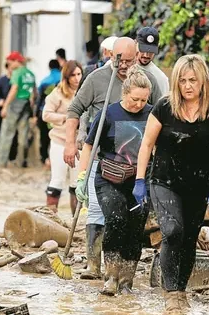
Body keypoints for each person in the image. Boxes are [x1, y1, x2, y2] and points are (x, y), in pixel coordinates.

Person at [64, 37, 163, 280]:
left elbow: (159, 114)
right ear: (111, 55)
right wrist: (70, 143)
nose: (125, 65)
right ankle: (94, 265)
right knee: (99, 212)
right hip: (102, 157)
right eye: (121, 60)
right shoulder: (97, 79)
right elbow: (75, 110)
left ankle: (122, 272)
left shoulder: (146, 80)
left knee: (128, 218)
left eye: (130, 60)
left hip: (136, 164)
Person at [134, 54, 209, 311]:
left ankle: (181, 289)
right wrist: (140, 180)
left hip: (198, 184)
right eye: (183, 80)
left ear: (203, 82)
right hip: (164, 180)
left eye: (193, 80)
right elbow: (146, 144)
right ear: (176, 82)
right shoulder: (164, 107)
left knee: (188, 238)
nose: (188, 86)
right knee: (173, 231)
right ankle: (171, 291)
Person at [75, 67, 153, 295]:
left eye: (143, 100)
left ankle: (127, 281)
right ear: (124, 93)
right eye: (134, 99)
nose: (139, 104)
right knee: (116, 218)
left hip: (139, 178)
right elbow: (90, 145)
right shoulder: (108, 114)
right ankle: (111, 276)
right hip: (109, 177)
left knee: (136, 226)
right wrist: (82, 177)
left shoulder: (152, 115)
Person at [43, 60, 84, 213]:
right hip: (60, 140)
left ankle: (76, 221)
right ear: (66, 77)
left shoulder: (84, 92)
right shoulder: (58, 93)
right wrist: (64, 119)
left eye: (79, 74)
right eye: (72, 75)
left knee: (77, 182)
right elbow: (45, 114)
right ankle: (50, 216)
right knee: (57, 179)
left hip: (79, 142)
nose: (76, 78)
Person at [0, 51, 36, 167]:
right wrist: (32, 111)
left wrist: (5, 107)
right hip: (26, 105)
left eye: (10, 63)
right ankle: (22, 161)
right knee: (23, 135)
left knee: (7, 134)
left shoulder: (17, 73)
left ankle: (2, 162)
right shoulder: (30, 74)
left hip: (15, 105)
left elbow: (13, 90)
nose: (9, 66)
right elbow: (34, 93)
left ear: (15, 61)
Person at [37, 59, 63, 167]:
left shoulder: (44, 81)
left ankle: (45, 158)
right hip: (60, 113)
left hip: (46, 112)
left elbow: (39, 99)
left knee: (44, 137)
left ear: (49, 67)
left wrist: (35, 113)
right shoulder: (63, 79)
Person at [135, 27, 170, 95]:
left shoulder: (160, 78)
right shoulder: (123, 68)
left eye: (151, 51)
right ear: (136, 43)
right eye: (143, 49)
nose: (146, 55)